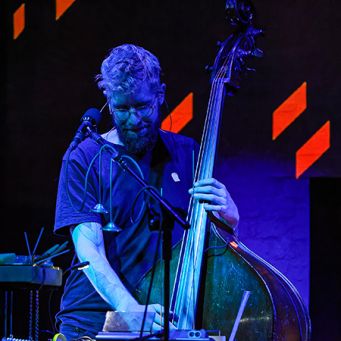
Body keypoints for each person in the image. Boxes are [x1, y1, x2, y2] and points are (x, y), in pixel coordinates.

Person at [53, 43, 239, 341]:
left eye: (142, 107)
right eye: (122, 109)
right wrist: (129, 310)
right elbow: (89, 249)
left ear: (161, 95)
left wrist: (230, 218)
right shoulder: (84, 158)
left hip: (164, 317)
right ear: (108, 101)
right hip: (94, 322)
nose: (133, 120)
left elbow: (211, 245)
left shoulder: (188, 153)